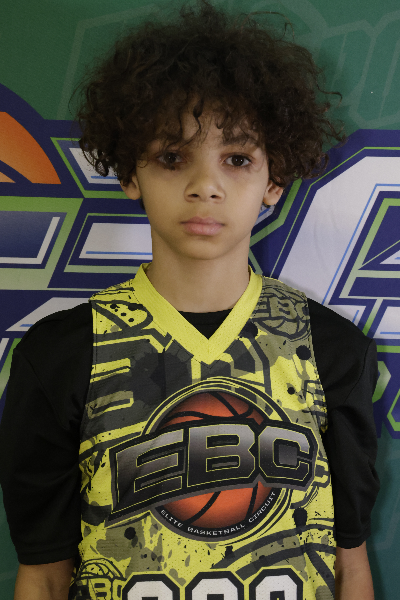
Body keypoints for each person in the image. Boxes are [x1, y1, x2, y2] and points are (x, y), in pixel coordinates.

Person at [0, 1, 380, 599]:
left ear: (273, 180)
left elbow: (349, 565)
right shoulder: (62, 355)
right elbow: (44, 574)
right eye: (173, 157)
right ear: (131, 173)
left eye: (237, 159)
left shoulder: (330, 350)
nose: (205, 185)